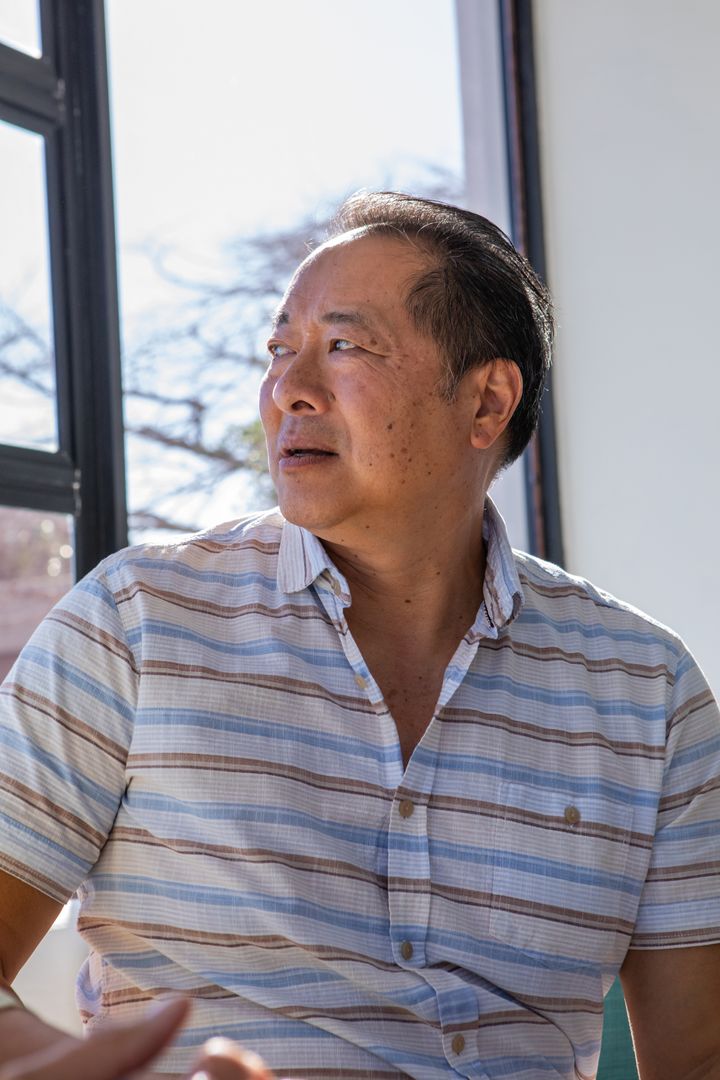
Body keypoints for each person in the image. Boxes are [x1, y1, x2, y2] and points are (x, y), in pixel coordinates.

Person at [1, 191, 719, 1080]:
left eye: (343, 346)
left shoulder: (649, 689)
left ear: (487, 400)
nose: (285, 389)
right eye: (279, 350)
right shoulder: (134, 622)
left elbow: (697, 1058)